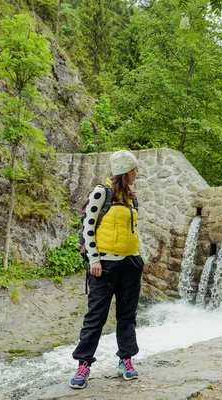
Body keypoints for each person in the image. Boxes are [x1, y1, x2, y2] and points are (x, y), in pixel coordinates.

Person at [69, 150, 144, 389]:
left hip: (130, 264)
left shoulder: (132, 197)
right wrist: (94, 260)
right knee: (95, 317)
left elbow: (133, 231)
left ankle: (126, 360)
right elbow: (88, 227)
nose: (137, 174)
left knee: (127, 316)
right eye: (134, 169)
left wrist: (139, 257)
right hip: (104, 265)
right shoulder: (102, 192)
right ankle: (84, 364)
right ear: (126, 170)